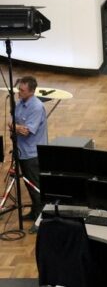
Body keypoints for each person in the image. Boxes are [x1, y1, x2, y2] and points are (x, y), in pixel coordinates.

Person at [7, 76, 48, 232]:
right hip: (22, 151)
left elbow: (26, 131)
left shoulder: (36, 107)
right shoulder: (20, 103)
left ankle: (40, 220)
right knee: (28, 185)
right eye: (19, 89)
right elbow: (12, 122)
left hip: (32, 154)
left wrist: (14, 127)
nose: (19, 92)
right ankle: (34, 212)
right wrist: (16, 126)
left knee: (35, 187)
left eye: (22, 90)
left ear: (31, 91)